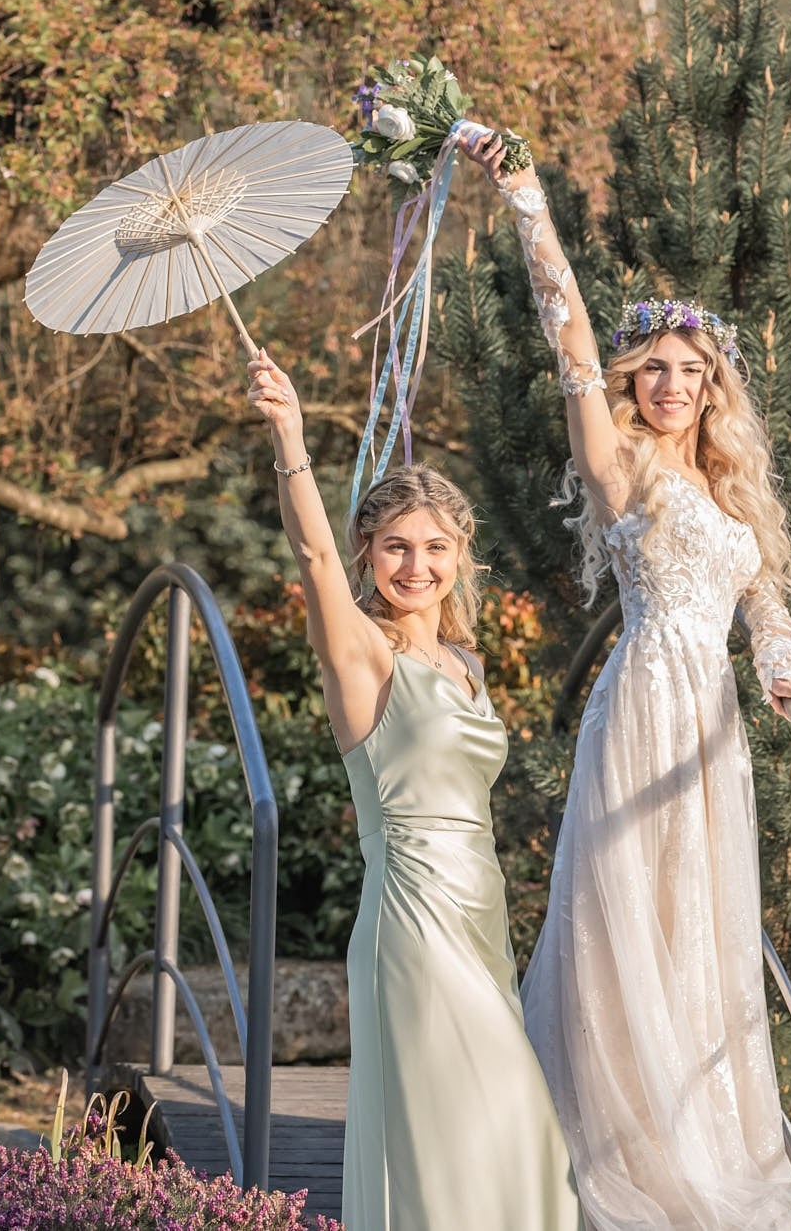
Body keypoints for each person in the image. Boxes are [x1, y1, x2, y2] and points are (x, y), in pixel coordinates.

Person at [454, 127, 791, 1229]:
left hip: (712, 718)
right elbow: (567, 342)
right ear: (631, 380)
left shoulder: (728, 485)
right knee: (621, 922)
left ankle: (698, 1130)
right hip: (643, 703)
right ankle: (615, 1137)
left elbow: (758, 594)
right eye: (652, 368)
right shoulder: (619, 467)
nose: (669, 385)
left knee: (696, 923)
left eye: (690, 372)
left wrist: (779, 662)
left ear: (714, 388)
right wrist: (530, 209)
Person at [247, 352, 580, 1231]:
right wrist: (289, 433)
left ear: (460, 555)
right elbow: (313, 552)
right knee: (459, 1136)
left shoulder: (467, 664)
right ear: (370, 549)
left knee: (516, 1138)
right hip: (413, 924)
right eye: (396, 545)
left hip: (482, 920)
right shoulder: (364, 656)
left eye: (435, 546)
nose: (416, 564)